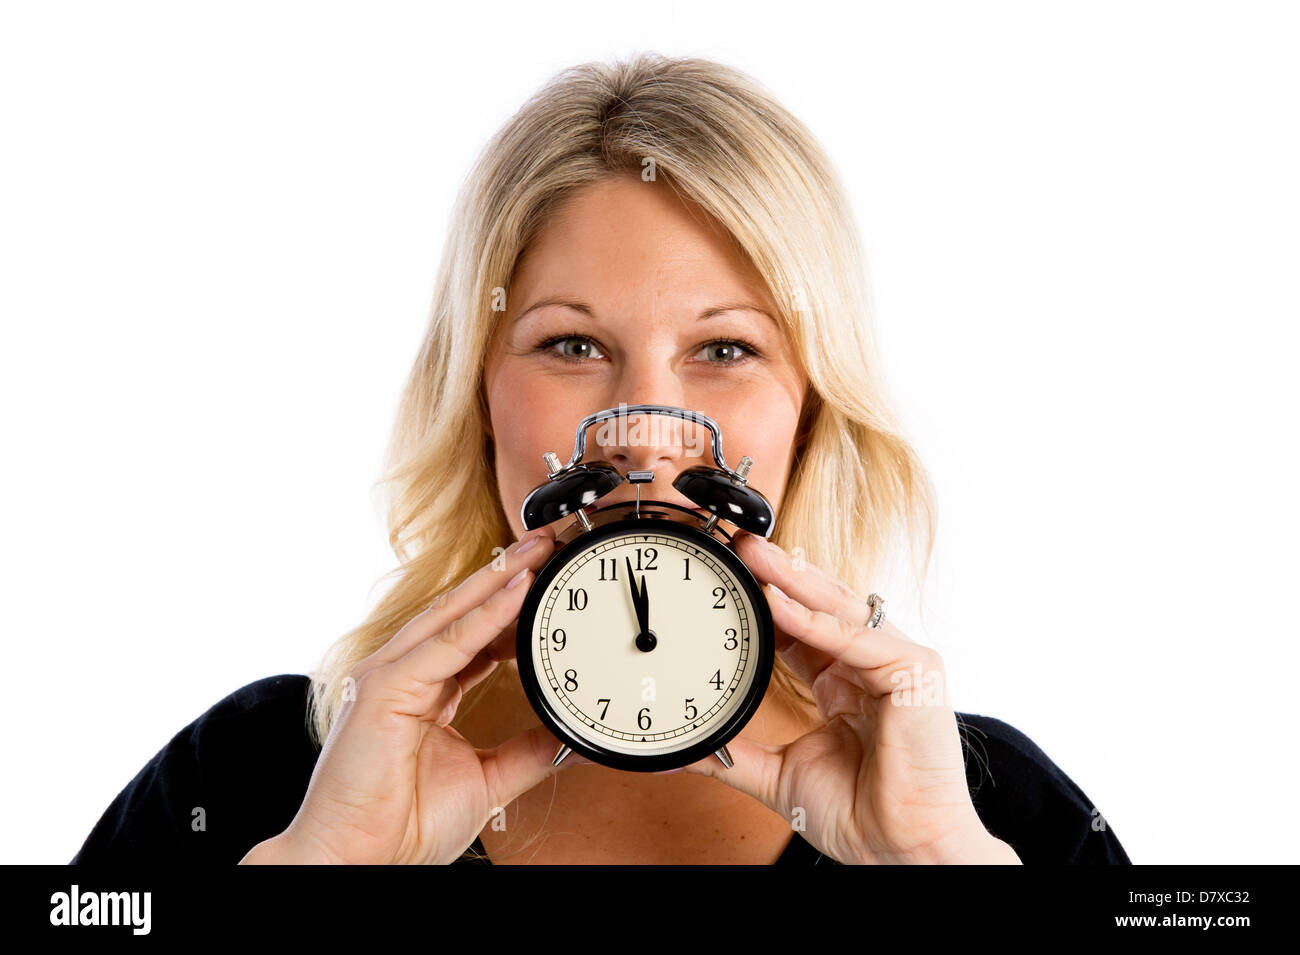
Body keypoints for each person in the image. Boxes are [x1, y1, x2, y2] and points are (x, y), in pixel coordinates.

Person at [72, 53, 1130, 866]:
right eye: (572, 345)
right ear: (479, 395)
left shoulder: (981, 808)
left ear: (808, 408)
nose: (641, 428)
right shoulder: (263, 776)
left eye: (726, 348)